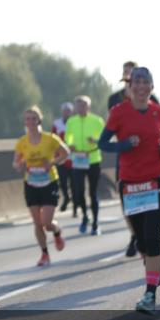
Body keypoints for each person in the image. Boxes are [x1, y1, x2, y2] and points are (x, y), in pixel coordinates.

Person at [98, 67, 160, 315]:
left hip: (157, 180)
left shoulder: (158, 112)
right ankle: (153, 272)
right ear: (130, 87)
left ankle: (150, 294)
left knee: (152, 237)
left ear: (151, 86)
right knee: (141, 240)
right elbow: (102, 143)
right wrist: (124, 144)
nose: (141, 86)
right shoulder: (118, 112)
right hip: (130, 184)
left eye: (145, 82)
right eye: (136, 81)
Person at [108, 61, 160, 256]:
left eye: (138, 78)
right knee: (126, 199)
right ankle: (135, 234)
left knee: (150, 199)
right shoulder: (114, 99)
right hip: (126, 154)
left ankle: (143, 236)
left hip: (150, 157)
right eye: (130, 77)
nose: (136, 83)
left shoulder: (151, 98)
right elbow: (110, 128)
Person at [13, 106, 70, 266]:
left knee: (46, 222)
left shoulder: (50, 139)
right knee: (37, 223)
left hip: (49, 182)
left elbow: (65, 153)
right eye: (27, 119)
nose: (30, 122)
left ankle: (57, 231)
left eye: (33, 118)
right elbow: (16, 161)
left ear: (39, 119)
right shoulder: (22, 142)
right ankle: (45, 254)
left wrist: (51, 163)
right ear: (24, 122)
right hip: (31, 183)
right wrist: (19, 165)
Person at [64, 95, 105, 235]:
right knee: (78, 191)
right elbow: (67, 137)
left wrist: (95, 140)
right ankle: (85, 217)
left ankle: (95, 223)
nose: (81, 108)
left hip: (93, 159)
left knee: (93, 193)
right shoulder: (71, 121)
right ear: (75, 107)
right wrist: (71, 145)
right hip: (78, 160)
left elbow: (105, 137)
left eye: (84, 105)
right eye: (78, 105)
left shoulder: (97, 120)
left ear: (89, 106)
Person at [52, 103, 75, 216]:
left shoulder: (76, 122)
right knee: (63, 181)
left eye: (69, 111)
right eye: (65, 111)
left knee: (75, 183)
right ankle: (66, 197)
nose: (67, 113)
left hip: (74, 158)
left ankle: (75, 205)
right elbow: (52, 139)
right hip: (61, 157)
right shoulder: (56, 124)